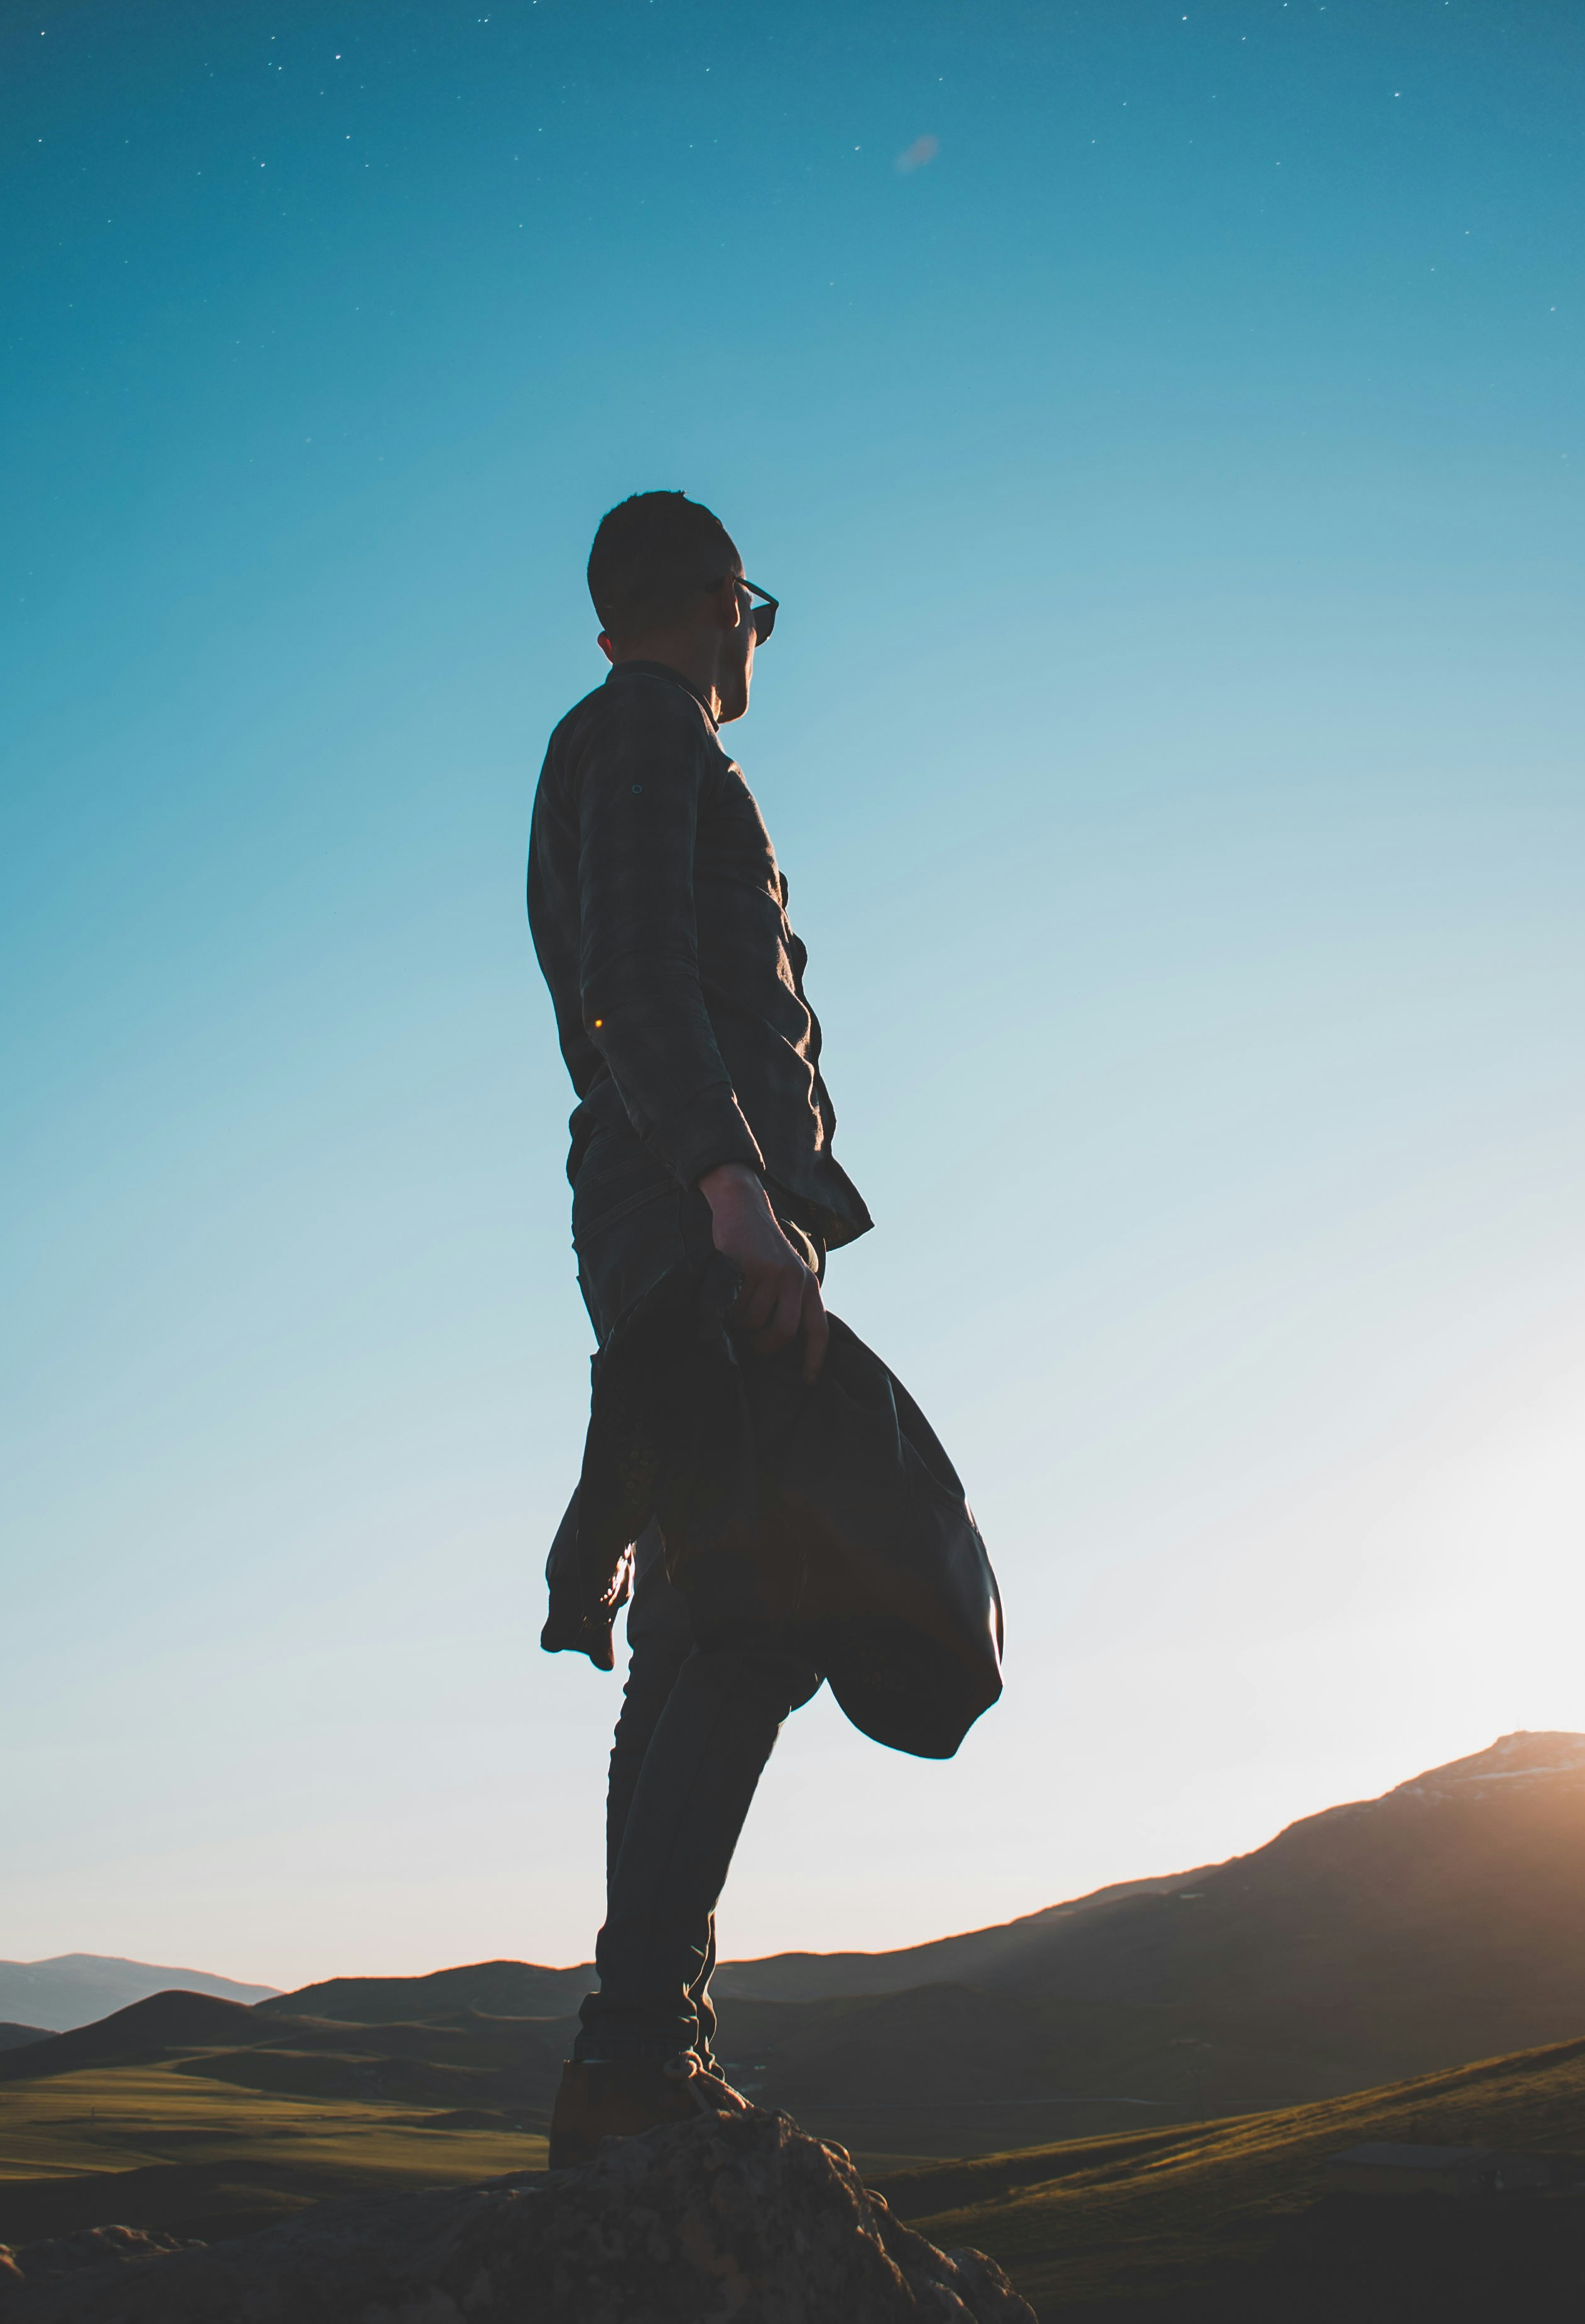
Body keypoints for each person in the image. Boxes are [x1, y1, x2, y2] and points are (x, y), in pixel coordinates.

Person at [524, 489, 876, 2163]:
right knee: (751, 1619)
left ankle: (640, 2045)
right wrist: (736, 1191)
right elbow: (640, 974)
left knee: (691, 1634)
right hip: (692, 1210)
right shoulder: (650, 728)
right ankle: (637, 2044)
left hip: (671, 1201)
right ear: (725, 602)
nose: (756, 640)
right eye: (758, 611)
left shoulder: (617, 733)